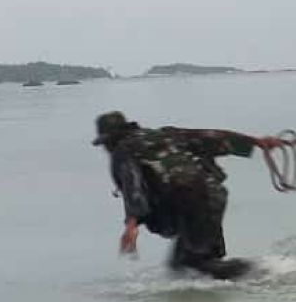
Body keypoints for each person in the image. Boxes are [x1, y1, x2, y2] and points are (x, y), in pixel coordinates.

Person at [93, 111, 283, 279]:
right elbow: (211, 137)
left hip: (190, 203)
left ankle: (263, 273)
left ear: (109, 140)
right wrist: (257, 142)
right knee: (181, 265)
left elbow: (132, 184)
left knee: (194, 264)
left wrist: (132, 224)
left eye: (105, 144)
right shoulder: (165, 134)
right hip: (213, 196)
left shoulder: (123, 152)